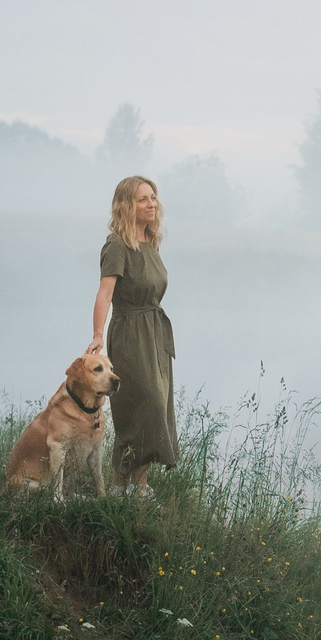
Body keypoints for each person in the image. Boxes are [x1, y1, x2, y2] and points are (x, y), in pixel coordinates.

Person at [89, 175, 178, 496]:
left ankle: (129, 485)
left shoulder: (151, 244)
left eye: (153, 197)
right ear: (127, 205)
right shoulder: (117, 245)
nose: (151, 203)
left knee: (157, 405)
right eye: (143, 199)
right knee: (143, 405)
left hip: (154, 333)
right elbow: (104, 292)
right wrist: (98, 334)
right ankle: (127, 485)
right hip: (129, 334)